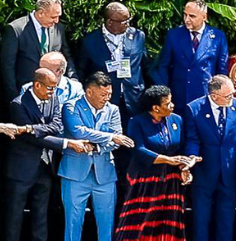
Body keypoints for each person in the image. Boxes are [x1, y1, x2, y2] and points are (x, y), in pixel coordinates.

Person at [3, 67, 77, 241]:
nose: (53, 91)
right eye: (50, 87)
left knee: (41, 217)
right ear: (37, 85)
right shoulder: (18, 104)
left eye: (55, 87)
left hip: (45, 167)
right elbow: (29, 138)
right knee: (14, 217)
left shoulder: (55, 99)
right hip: (21, 169)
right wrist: (63, 143)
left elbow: (57, 126)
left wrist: (32, 128)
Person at [117, 86, 190, 241]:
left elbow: (181, 147)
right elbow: (139, 149)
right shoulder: (136, 122)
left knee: (168, 220)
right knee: (139, 221)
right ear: (155, 107)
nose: (172, 106)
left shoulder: (177, 120)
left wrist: (184, 166)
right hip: (144, 180)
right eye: (168, 103)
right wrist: (168, 159)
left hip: (171, 180)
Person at [62, 72, 128, 241]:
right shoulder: (71, 106)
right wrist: (110, 137)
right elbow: (78, 131)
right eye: (103, 94)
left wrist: (98, 146)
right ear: (89, 92)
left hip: (105, 174)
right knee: (72, 224)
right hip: (75, 174)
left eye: (110, 94)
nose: (107, 98)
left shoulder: (113, 110)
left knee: (106, 225)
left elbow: (118, 139)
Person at [183, 75, 236, 241]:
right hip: (205, 174)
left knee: (226, 220)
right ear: (214, 96)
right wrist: (191, 158)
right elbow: (192, 139)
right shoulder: (194, 109)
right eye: (228, 96)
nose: (232, 98)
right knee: (201, 220)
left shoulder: (235, 106)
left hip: (229, 173)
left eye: (233, 93)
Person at [0, 0, 67, 102]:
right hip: (24, 95)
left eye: (58, 16)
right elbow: (7, 67)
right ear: (40, 13)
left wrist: (73, 79)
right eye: (53, 17)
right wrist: (14, 97)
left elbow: (66, 55)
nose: (57, 21)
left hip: (50, 96)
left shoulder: (58, 29)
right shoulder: (16, 29)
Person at [162, 0, 227, 111]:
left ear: (204, 17)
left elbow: (222, 70)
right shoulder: (174, 35)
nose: (187, 19)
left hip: (204, 97)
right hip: (178, 97)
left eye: (192, 16)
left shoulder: (217, 37)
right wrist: (164, 94)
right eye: (185, 14)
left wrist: (218, 96)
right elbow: (163, 66)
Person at [81, 3, 148, 110]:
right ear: (110, 22)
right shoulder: (90, 41)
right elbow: (82, 71)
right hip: (106, 100)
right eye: (123, 22)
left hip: (134, 97)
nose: (128, 24)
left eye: (128, 20)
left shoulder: (138, 36)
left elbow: (146, 65)